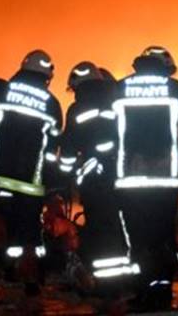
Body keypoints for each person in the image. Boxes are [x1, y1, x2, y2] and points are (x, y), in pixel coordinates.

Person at [111, 46, 178, 309]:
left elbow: (108, 132)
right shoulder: (174, 88)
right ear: (166, 66)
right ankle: (162, 291)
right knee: (162, 235)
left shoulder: (121, 88)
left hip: (129, 180)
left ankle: (141, 290)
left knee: (137, 237)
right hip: (164, 180)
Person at [0, 49, 64, 292]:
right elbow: (53, 146)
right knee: (28, 231)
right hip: (29, 181)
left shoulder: (3, 91)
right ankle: (30, 279)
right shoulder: (51, 103)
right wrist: (53, 184)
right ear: (48, 75)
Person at [59, 62, 137, 293]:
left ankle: (109, 286)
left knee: (103, 231)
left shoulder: (77, 110)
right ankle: (133, 280)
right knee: (127, 227)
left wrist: (63, 182)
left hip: (96, 183)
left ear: (76, 86)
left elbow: (68, 152)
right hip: (126, 176)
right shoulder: (118, 102)